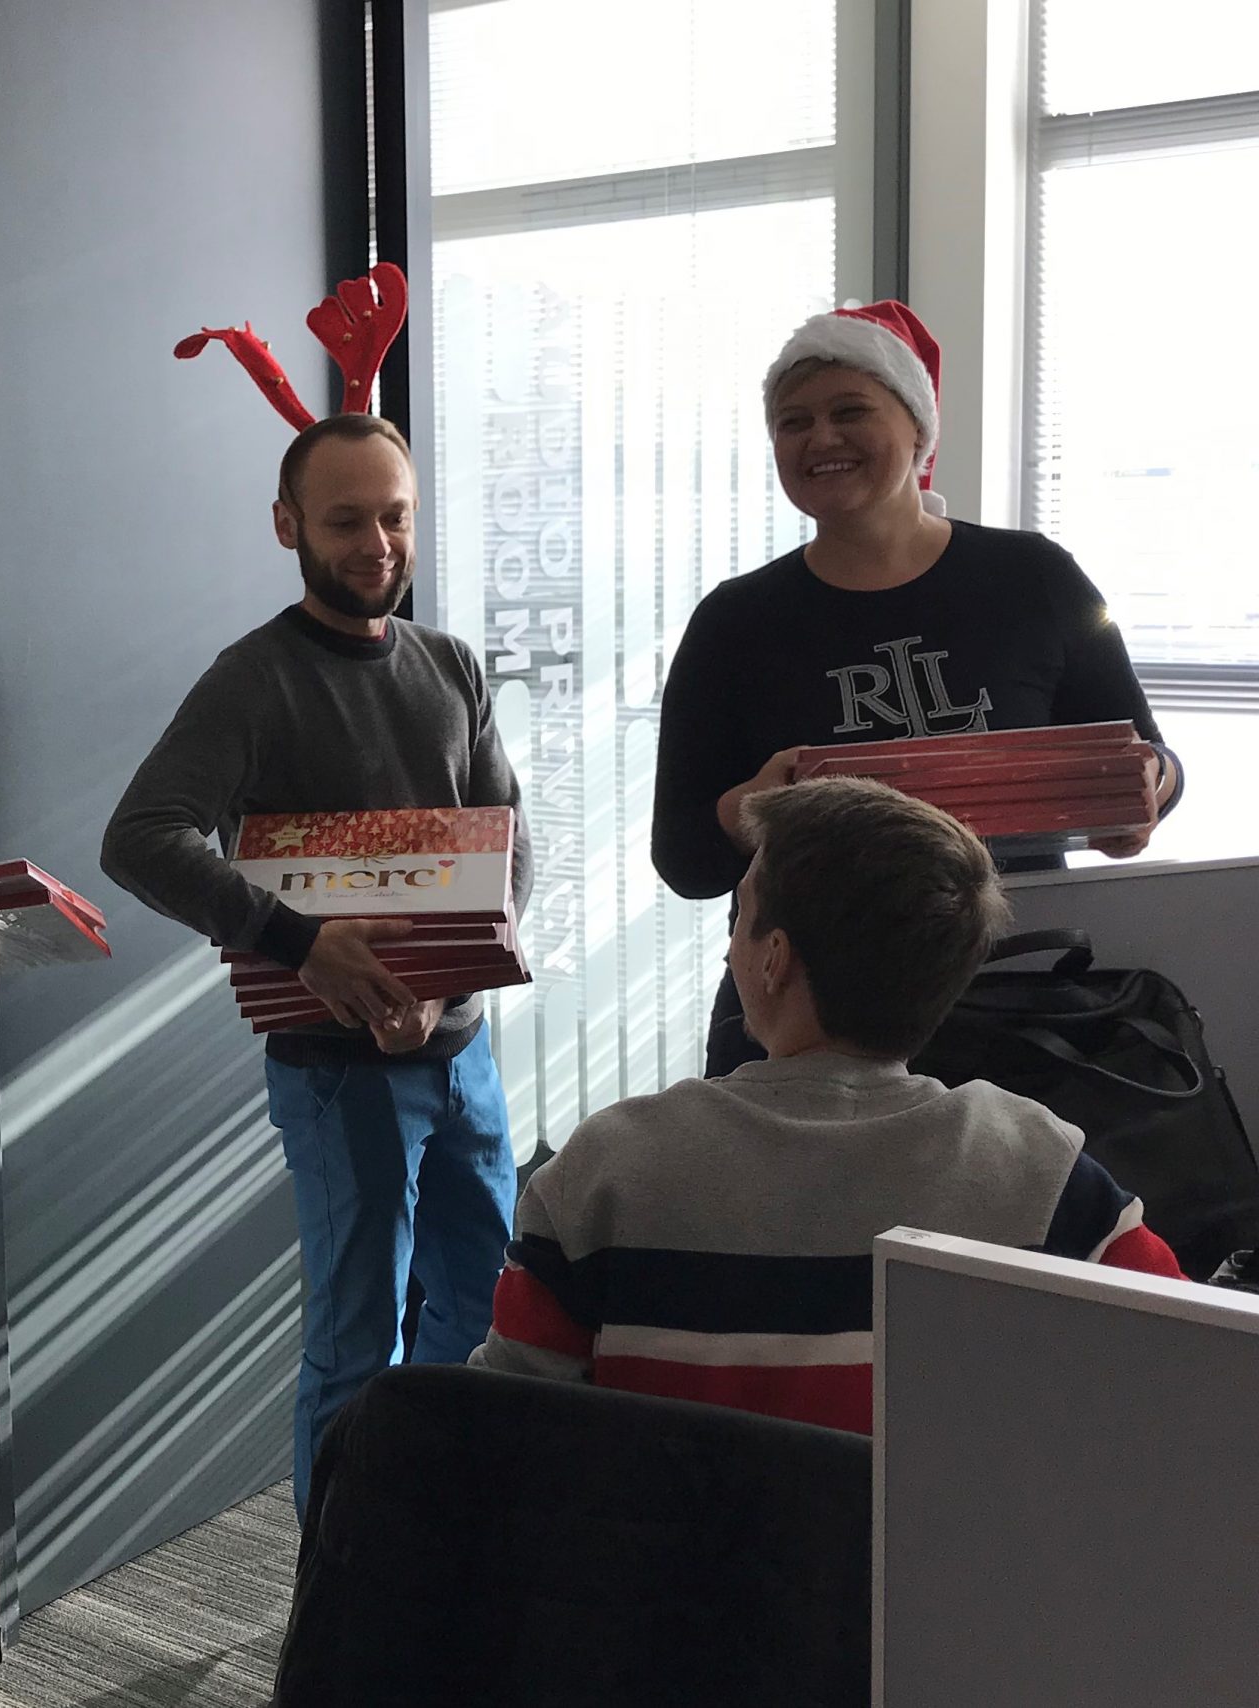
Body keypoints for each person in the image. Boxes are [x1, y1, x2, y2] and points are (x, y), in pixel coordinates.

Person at [102, 412, 531, 1510]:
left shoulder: (449, 663)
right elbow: (141, 838)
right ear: (288, 525)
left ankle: (423, 1529)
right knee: (353, 1343)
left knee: (482, 1313)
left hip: (460, 1051)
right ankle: (339, 1593)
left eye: (394, 516)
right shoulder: (252, 678)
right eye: (345, 521)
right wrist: (304, 948)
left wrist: (448, 982)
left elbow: (508, 840)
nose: (376, 543)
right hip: (334, 1069)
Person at [476, 776, 1184, 1432]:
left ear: (774, 958)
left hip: (668, 1567)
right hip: (939, 1568)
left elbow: (496, 1430)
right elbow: (1199, 1365)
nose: (729, 953)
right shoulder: (1040, 1170)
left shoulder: (606, 1171)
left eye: (741, 916)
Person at [651, 301, 1181, 1077]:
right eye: (792, 422)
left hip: (1016, 1006)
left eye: (850, 411)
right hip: (802, 1025)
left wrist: (1145, 790)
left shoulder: (1035, 578)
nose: (820, 438)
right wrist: (750, 809)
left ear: (917, 428)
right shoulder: (733, 623)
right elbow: (686, 862)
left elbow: (1151, 759)